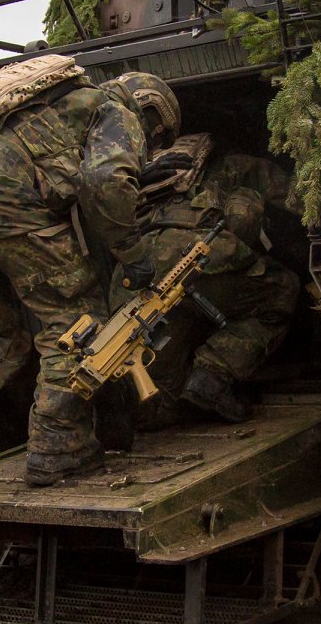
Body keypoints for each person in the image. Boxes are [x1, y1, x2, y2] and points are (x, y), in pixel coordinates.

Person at [0, 60, 181, 487]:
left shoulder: (55, 106)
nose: (149, 143)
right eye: (155, 135)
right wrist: (132, 252)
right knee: (78, 324)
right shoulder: (117, 109)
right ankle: (58, 448)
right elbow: (104, 181)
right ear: (148, 107)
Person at [120, 137, 300, 424]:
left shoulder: (147, 174)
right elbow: (304, 197)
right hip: (201, 257)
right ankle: (211, 376)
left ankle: (150, 414)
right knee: (282, 290)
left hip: (142, 270)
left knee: (158, 397)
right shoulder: (234, 166)